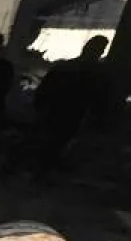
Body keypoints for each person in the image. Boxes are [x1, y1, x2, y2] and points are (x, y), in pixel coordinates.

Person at [29, 35, 111, 175]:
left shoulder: (66, 68)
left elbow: (43, 92)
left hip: (64, 111)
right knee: (57, 141)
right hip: (71, 112)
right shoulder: (96, 73)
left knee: (53, 141)